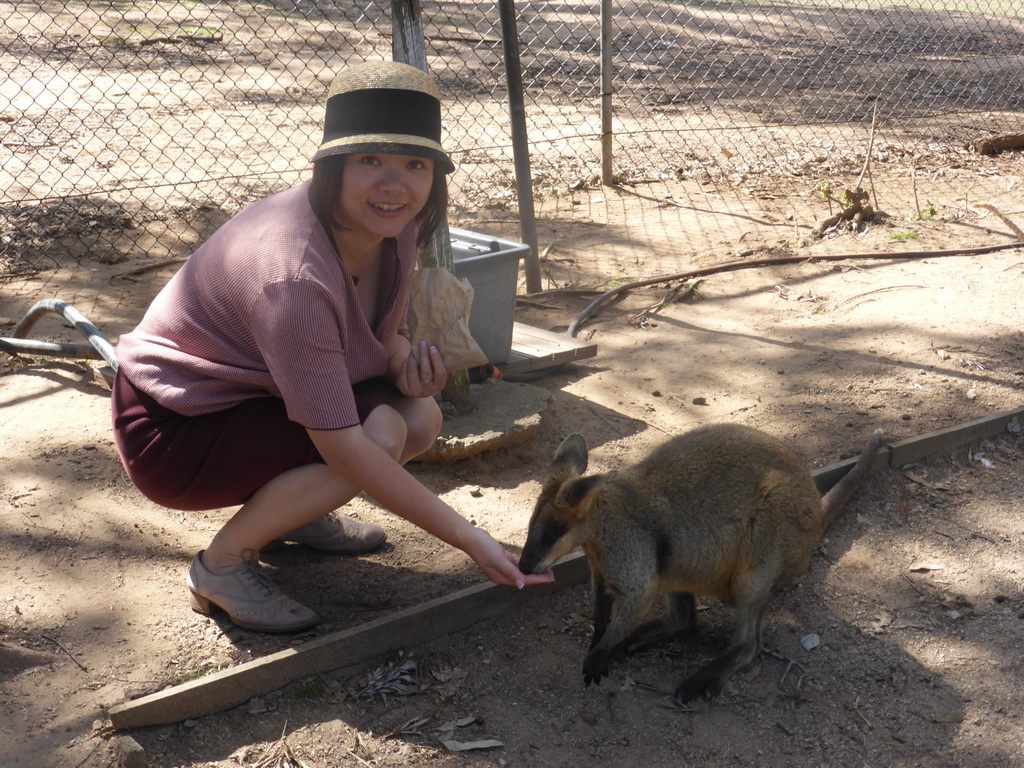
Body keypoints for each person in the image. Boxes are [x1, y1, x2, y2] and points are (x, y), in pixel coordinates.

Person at [110, 60, 554, 634]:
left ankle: (290, 514)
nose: (393, 186)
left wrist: (402, 365)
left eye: (415, 165)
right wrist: (473, 540)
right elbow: (346, 449)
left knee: (417, 413)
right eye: (370, 160)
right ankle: (220, 565)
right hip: (177, 425)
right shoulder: (293, 276)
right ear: (332, 167)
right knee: (382, 434)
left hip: (259, 396)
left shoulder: (395, 227)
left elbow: (385, 332)